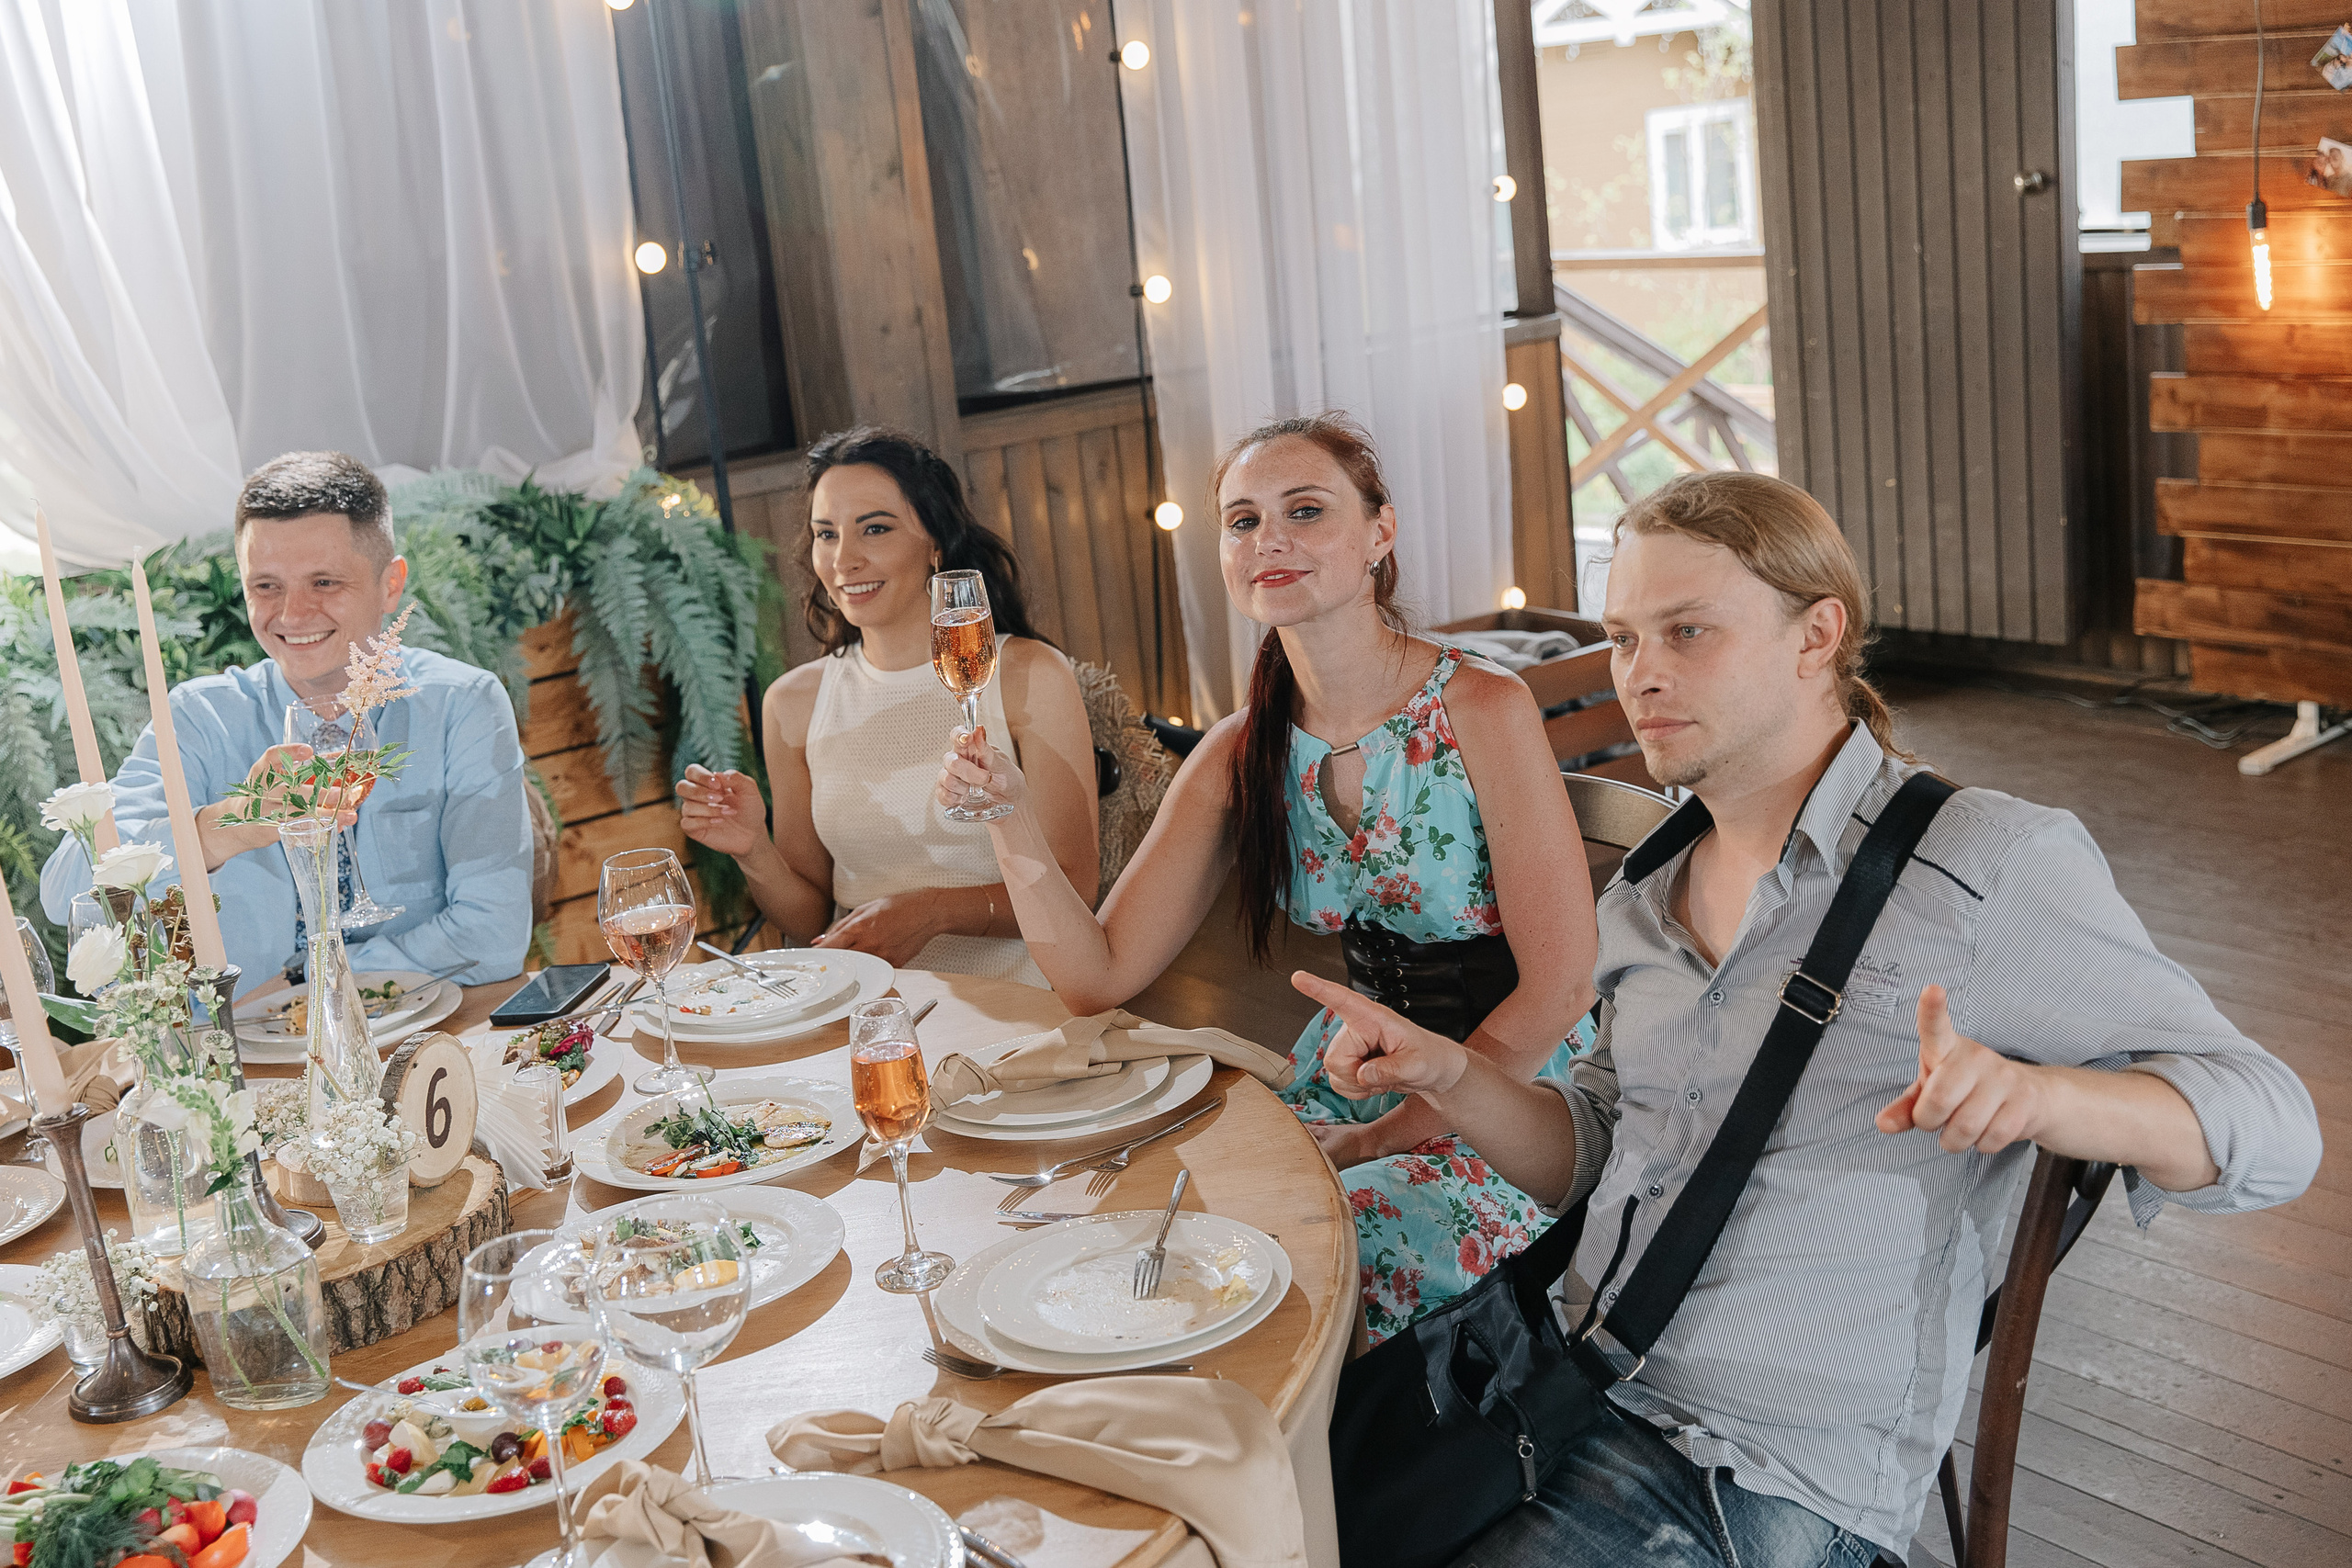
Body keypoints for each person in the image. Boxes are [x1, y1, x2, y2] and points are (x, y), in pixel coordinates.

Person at [1294, 470, 2324, 1564]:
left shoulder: (1982, 864)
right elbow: (1592, 1158)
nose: (1642, 676)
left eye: (1688, 632)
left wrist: (2046, 1097)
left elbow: (2277, 1128)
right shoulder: (1642, 899)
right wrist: (1452, 1076)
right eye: (1625, 639)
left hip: (1753, 1475)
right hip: (1559, 1384)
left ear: (1815, 635)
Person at [936, 412, 1600, 1341]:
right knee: (1156, 1231)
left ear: (1380, 533)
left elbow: (1564, 986)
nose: (1269, 539)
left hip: (1510, 1096)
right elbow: (1094, 977)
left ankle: (1353, 1477)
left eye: (1304, 510)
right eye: (1243, 521)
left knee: (1308, 1256)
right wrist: (1008, 816)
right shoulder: (1240, 748)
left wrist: (1377, 1140)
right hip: (1350, 1075)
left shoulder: (1483, 707)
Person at [41, 451, 533, 997]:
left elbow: (493, 933)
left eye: (324, 582)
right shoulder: (198, 718)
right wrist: (226, 825)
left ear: (390, 584)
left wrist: (307, 984)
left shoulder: (461, 704)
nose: (292, 615)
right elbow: (67, 894)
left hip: (423, 1042)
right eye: (267, 586)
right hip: (248, 1061)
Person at [675, 426, 1098, 987]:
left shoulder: (1030, 676)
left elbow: (1075, 882)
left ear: (936, 545)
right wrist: (754, 849)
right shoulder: (792, 705)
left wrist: (931, 914)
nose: (844, 559)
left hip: (1021, 1009)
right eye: (826, 534)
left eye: (875, 528)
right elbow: (807, 920)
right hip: (868, 1014)